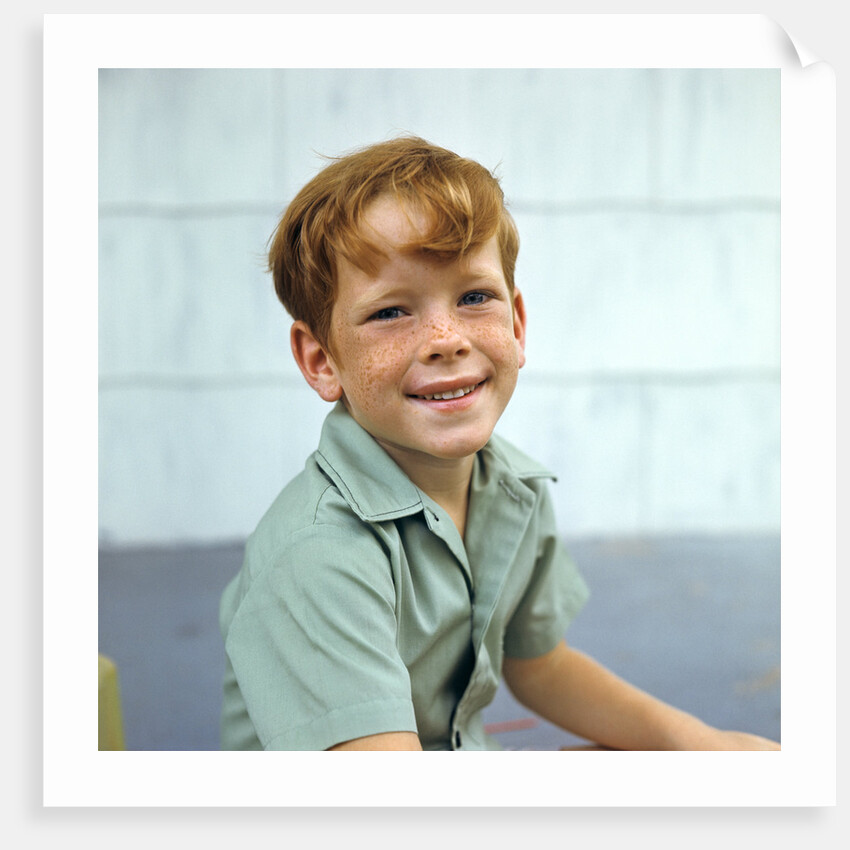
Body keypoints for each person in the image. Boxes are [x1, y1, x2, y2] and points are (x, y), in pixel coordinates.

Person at [219, 136, 779, 752]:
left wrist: (699, 745)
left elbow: (540, 665)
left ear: (515, 322)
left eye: (473, 298)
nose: (445, 338)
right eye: (390, 313)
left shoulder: (511, 489)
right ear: (322, 360)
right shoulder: (317, 556)